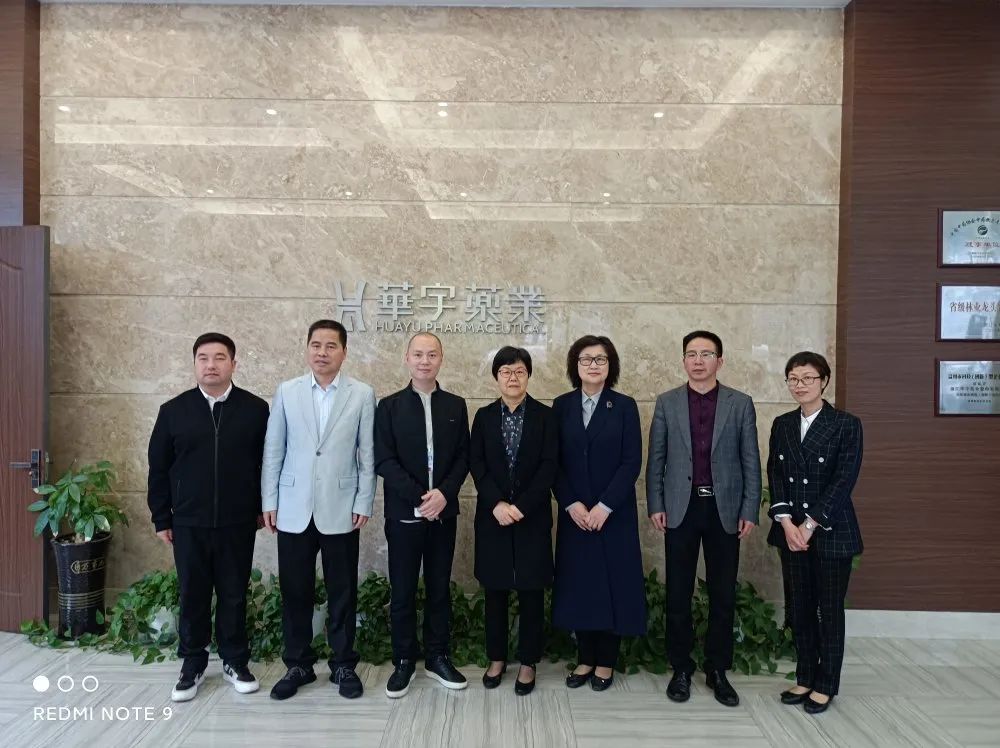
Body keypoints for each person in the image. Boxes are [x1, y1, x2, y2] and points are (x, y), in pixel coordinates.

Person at [147, 332, 269, 702]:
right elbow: (158, 468)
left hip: (238, 521)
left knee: (234, 593)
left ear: (234, 363)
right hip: (188, 521)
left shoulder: (255, 409)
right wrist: (161, 517)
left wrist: (262, 507)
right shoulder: (173, 411)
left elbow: (267, 463)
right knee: (193, 594)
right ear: (195, 364)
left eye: (219, 358)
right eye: (203, 358)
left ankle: (235, 660)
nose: (211, 365)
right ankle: (193, 663)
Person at [261, 320, 376, 700]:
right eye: (316, 345)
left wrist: (363, 500)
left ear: (344, 352)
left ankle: (343, 664)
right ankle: (298, 664)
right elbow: (274, 450)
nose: (322, 352)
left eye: (330, 346)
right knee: (295, 590)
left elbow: (367, 454)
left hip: (341, 506)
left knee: (343, 590)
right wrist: (270, 501)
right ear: (307, 348)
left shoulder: (362, 394)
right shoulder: (287, 391)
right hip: (293, 507)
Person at [646, 330, 761, 707]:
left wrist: (749, 508)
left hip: (724, 509)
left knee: (722, 593)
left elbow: (750, 460)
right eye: (691, 354)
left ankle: (717, 669)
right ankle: (680, 667)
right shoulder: (667, 402)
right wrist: (655, 503)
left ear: (720, 361)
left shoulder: (739, 403)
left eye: (706, 354)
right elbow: (656, 458)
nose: (698, 360)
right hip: (680, 507)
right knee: (678, 592)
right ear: (683, 360)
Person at [767, 351, 863, 715]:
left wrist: (809, 524)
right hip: (790, 532)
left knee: (829, 610)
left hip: (830, 531)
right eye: (793, 378)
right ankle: (805, 676)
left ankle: (826, 684)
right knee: (800, 608)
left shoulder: (845, 424)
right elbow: (775, 474)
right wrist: (786, 523)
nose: (800, 385)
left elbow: (844, 479)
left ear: (823, 381)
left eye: (808, 378)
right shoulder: (782, 424)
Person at [374, 333, 470, 698]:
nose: (425, 361)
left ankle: (437, 656)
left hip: (443, 513)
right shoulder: (390, 406)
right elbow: (384, 459)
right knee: (402, 590)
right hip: (404, 513)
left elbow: (464, 456)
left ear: (441, 359)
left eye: (432, 355)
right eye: (418, 354)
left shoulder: (455, 405)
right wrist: (420, 497)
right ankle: (403, 660)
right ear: (407, 358)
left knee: (439, 588)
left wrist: (443, 494)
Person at [552, 335, 646, 691]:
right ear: (575, 366)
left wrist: (605, 505)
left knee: (613, 585)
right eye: (586, 359)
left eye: (601, 359)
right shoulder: (561, 406)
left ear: (611, 366)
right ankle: (585, 658)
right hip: (575, 515)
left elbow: (631, 461)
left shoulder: (624, 406)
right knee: (580, 586)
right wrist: (570, 502)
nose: (593, 365)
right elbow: (553, 461)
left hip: (613, 514)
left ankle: (606, 661)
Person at [470, 346, 558, 696]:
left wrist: (521, 506)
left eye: (519, 371)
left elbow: (550, 465)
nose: (512, 377)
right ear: (496, 377)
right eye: (505, 371)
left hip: (531, 517)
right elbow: (477, 463)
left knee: (531, 592)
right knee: (495, 590)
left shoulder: (545, 417)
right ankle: (496, 659)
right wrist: (497, 503)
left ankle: (528, 662)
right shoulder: (483, 416)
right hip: (493, 517)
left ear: (528, 376)